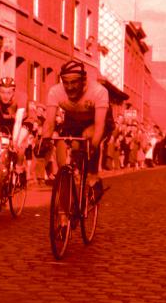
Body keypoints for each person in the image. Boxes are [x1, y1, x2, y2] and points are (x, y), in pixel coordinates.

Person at [37, 59, 112, 205]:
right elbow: (50, 121)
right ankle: (65, 213)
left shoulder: (98, 91)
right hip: (73, 121)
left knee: (87, 139)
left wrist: (94, 147)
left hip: (97, 121)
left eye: (74, 82)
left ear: (83, 81)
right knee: (62, 163)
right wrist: (44, 140)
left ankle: (93, 177)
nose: (69, 87)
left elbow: (99, 125)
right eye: (66, 82)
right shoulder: (55, 91)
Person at [0, 77, 30, 184]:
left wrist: (15, 141)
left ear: (14, 92)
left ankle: (19, 166)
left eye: (8, 92)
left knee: (18, 142)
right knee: (3, 145)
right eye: (2, 92)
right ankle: (3, 173)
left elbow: (18, 121)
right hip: (7, 120)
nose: (5, 96)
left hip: (24, 120)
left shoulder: (21, 96)